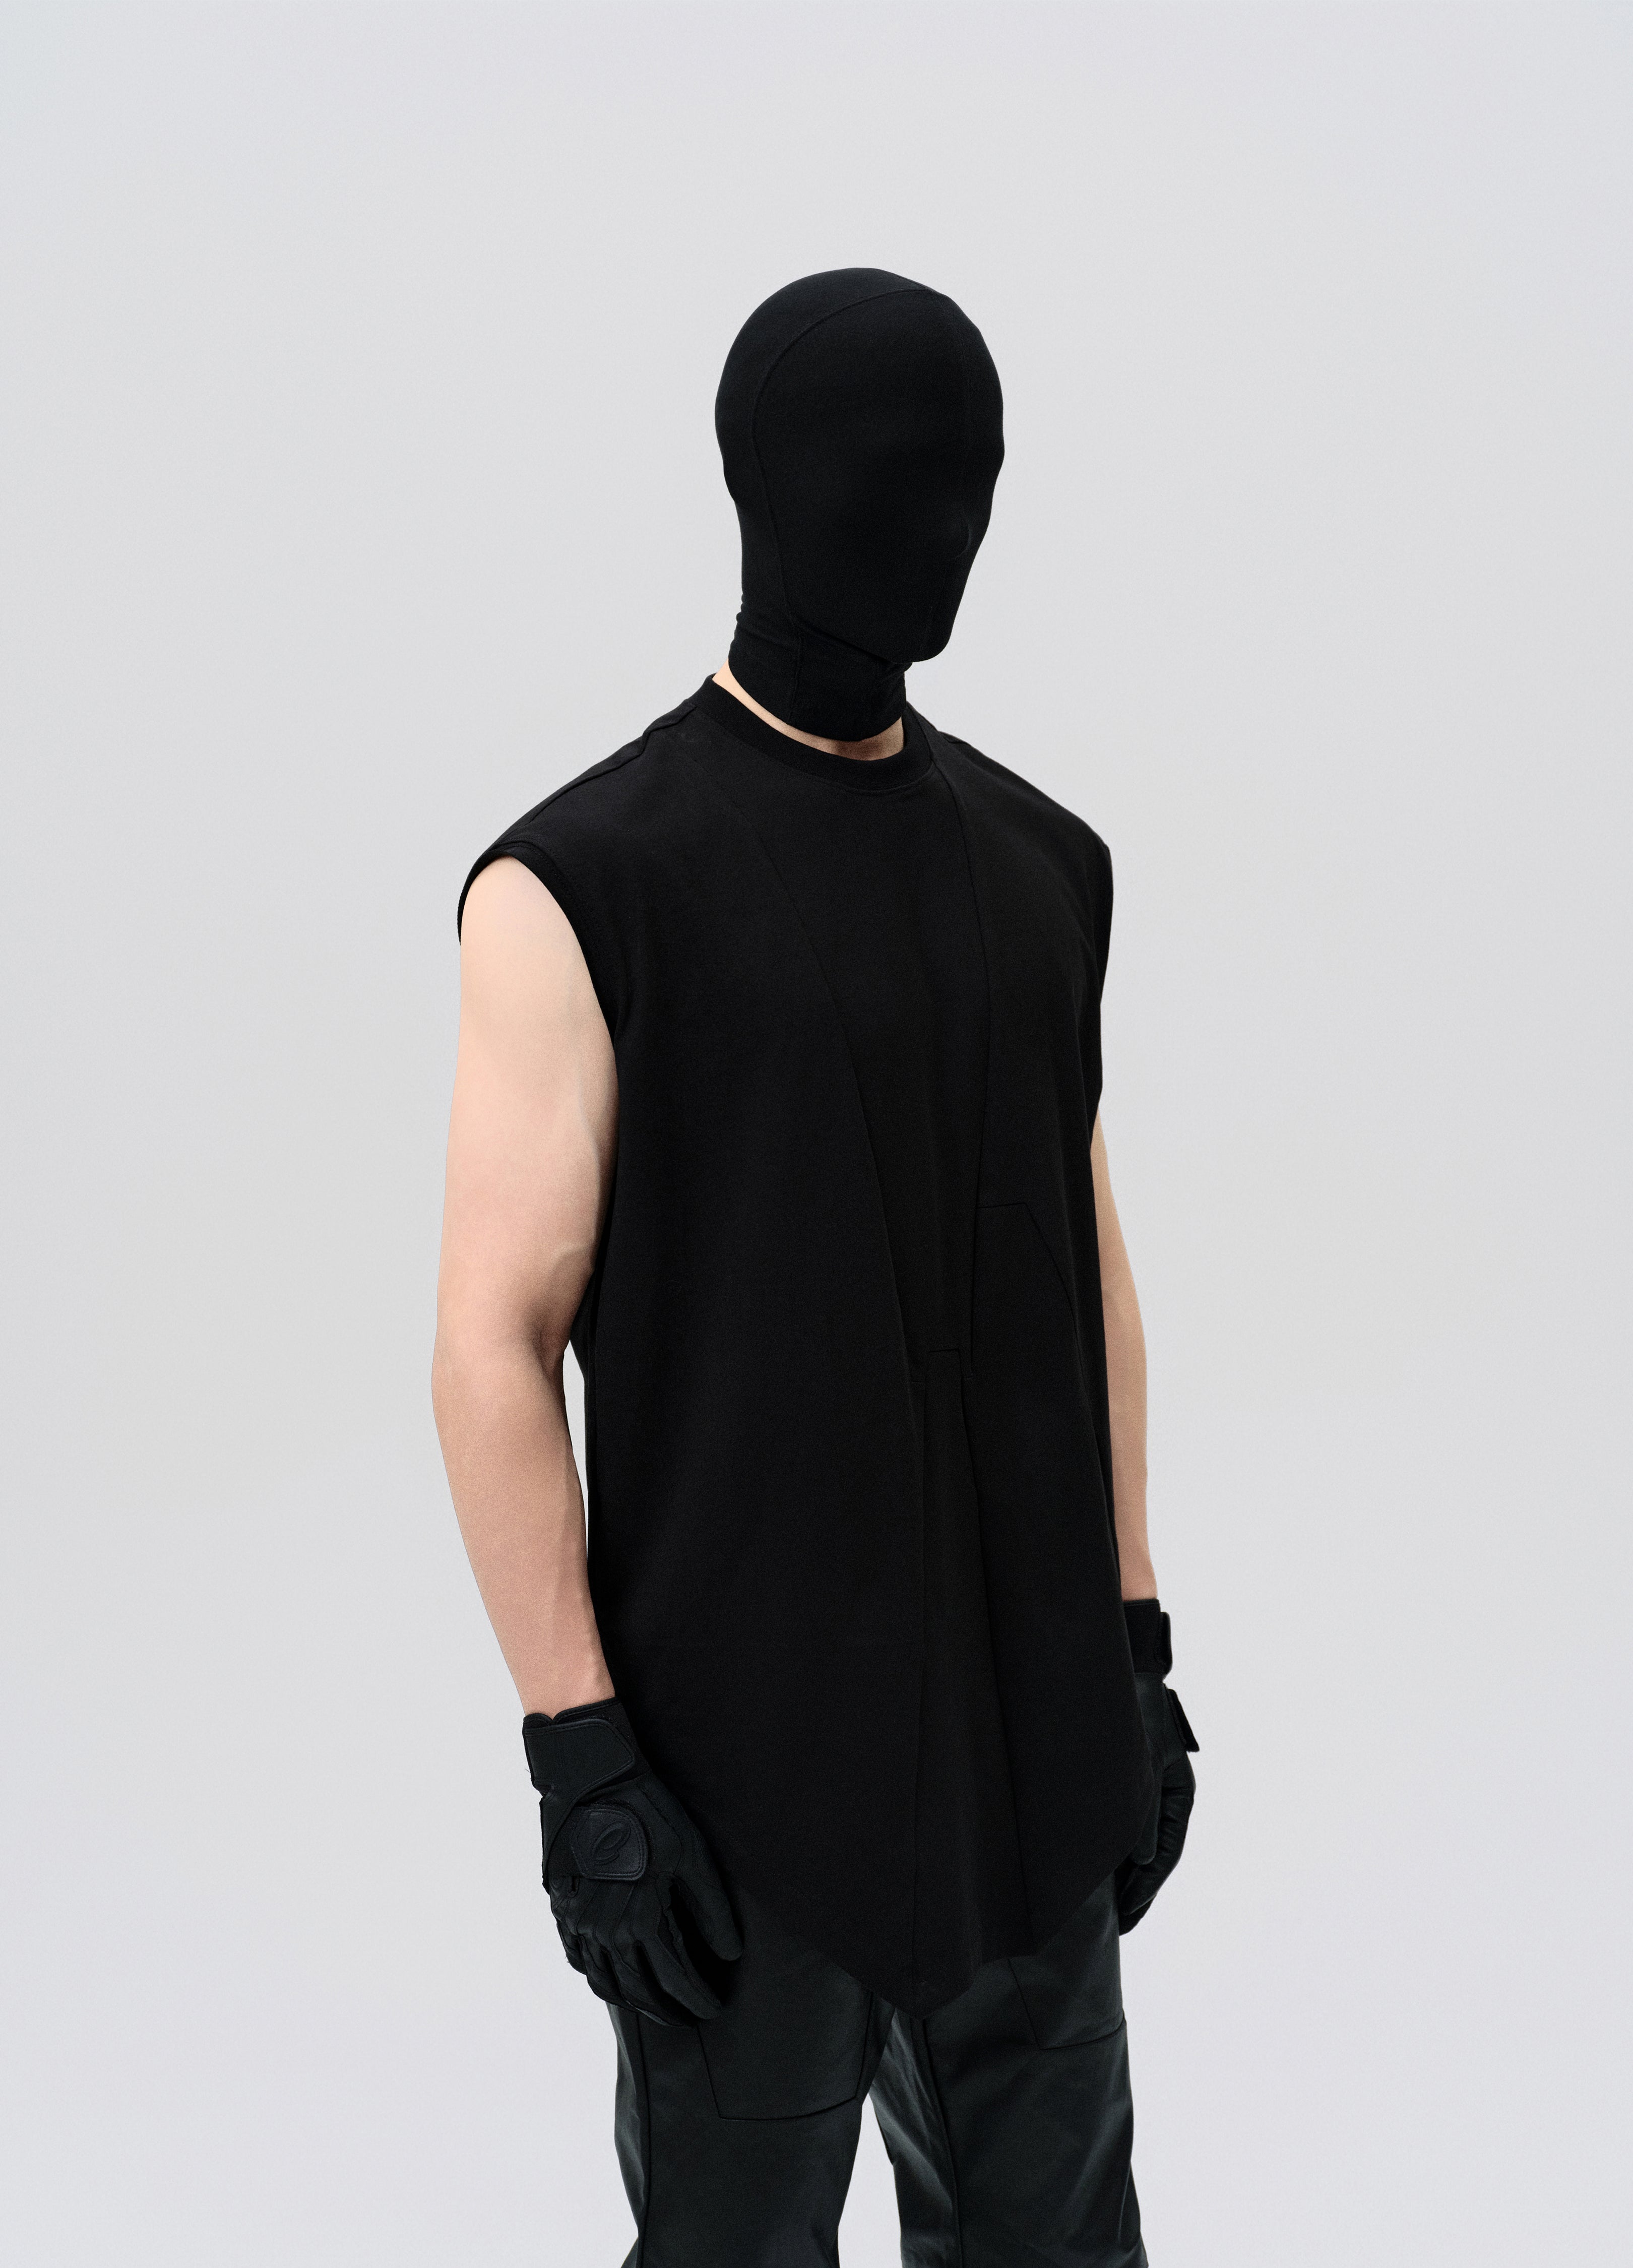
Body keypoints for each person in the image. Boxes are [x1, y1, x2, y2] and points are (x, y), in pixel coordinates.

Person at [432, 267, 1198, 2266]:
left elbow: (1092, 1279)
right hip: (737, 1789)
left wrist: (1130, 1639)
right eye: (885, 471)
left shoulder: (1048, 870)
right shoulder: (583, 887)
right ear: (764, 485)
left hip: (1032, 1761)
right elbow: (494, 1339)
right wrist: (581, 1749)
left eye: (968, 475)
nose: (933, 519)